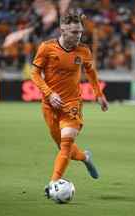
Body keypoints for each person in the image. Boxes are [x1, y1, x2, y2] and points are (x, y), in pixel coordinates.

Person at [30, 13, 109, 198]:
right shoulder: (46, 47)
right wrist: (49, 94)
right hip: (49, 106)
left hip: (72, 103)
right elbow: (34, 74)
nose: (78, 36)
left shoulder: (83, 51)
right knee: (65, 150)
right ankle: (85, 157)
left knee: (66, 145)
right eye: (74, 32)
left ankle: (52, 185)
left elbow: (90, 72)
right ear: (62, 31)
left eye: (80, 32)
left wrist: (99, 95)